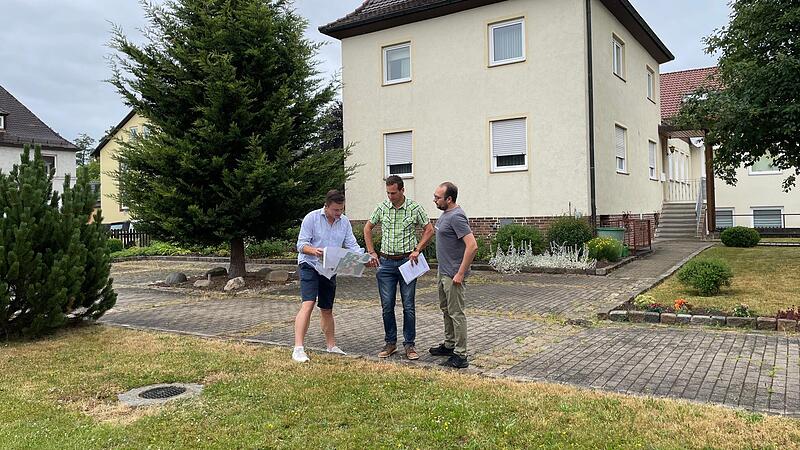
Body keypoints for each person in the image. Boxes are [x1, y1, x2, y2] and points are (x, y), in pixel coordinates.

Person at [292, 189, 374, 363]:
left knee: (327, 308)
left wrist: (363, 258)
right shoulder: (312, 218)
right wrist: (314, 251)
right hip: (310, 264)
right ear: (326, 206)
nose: (339, 213)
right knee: (308, 303)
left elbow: (352, 245)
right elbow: (301, 245)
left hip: (329, 267)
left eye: (341, 209)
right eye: (335, 210)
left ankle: (331, 346)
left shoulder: (344, 222)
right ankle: (298, 348)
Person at [364, 175, 434, 360]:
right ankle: (390, 343)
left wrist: (418, 249)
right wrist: (371, 252)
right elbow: (367, 228)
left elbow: (429, 229)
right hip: (385, 263)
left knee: (408, 305)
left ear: (402, 190)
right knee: (387, 305)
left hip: (407, 262)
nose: (390, 196)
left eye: (393, 193)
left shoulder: (414, 208)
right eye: (388, 193)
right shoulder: (381, 208)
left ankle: (409, 345)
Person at [429, 182, 478, 368]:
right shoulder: (445, 214)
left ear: (449, 199)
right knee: (446, 310)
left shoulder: (457, 216)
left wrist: (460, 273)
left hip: (453, 275)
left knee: (457, 313)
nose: (434, 200)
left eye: (438, 197)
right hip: (443, 272)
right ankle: (449, 345)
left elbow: (472, 246)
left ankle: (460, 355)